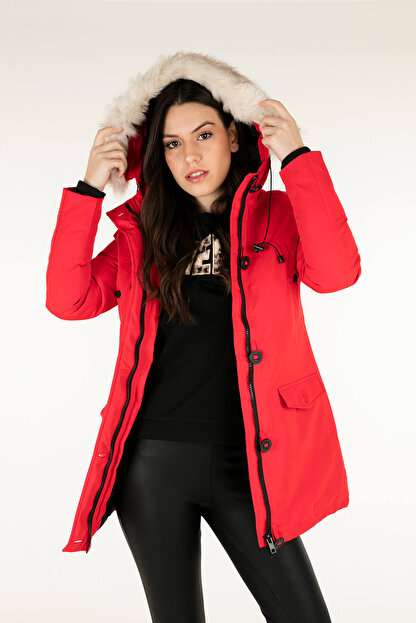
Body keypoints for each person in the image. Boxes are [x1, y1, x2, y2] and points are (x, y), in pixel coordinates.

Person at [46, 51, 361, 623]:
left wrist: (297, 158)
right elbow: (68, 301)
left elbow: (337, 273)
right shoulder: (142, 233)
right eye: (172, 143)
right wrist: (89, 190)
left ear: (235, 138)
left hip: (253, 464)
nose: (189, 155)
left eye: (204, 134)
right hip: (152, 464)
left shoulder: (277, 215)